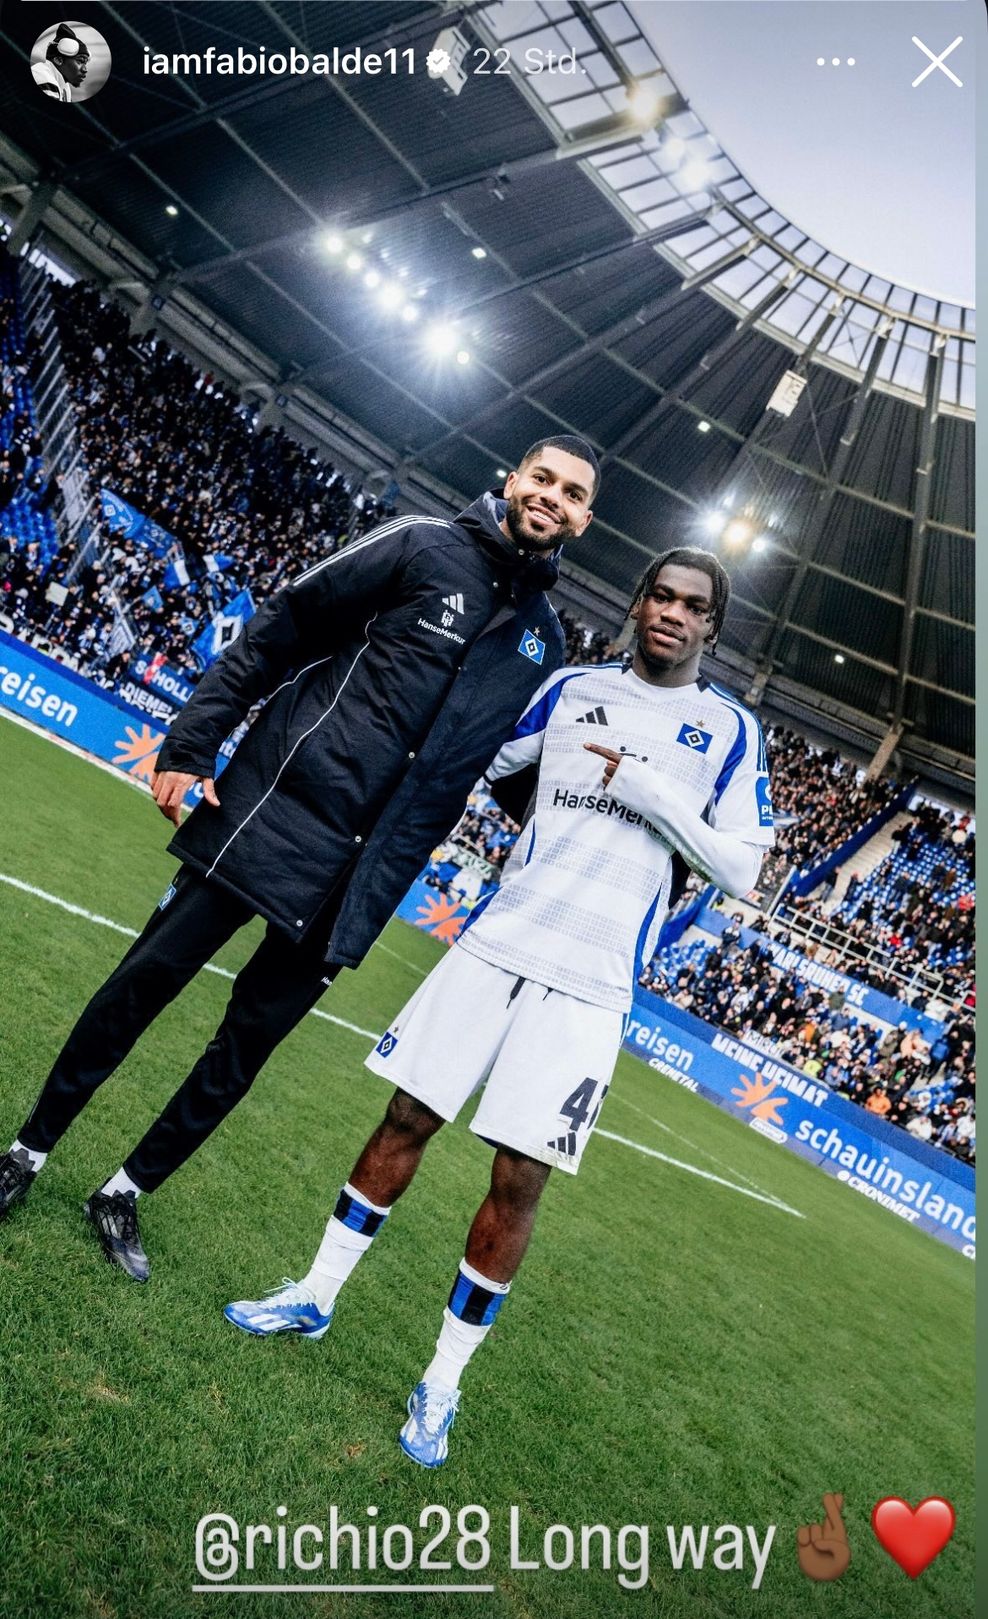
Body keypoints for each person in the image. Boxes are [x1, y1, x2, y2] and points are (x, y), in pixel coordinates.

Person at [224, 546, 774, 1467]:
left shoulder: (727, 730)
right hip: (496, 941)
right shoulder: (568, 689)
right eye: (660, 596)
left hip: (593, 983)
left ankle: (441, 1381)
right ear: (639, 603)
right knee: (404, 1117)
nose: (671, 614)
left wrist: (644, 793)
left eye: (692, 606)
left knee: (518, 1180)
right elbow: (492, 765)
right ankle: (315, 1293)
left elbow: (745, 868)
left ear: (712, 626)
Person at [0, 437, 599, 1279]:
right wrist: (191, 741)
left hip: (356, 881)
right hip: (268, 813)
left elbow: (499, 767)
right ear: (512, 480)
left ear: (583, 517)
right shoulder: (420, 541)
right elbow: (280, 630)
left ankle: (126, 1191)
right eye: (542, 478)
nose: (552, 497)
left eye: (572, 493)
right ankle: (27, 1151)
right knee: (142, 984)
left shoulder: (544, 642)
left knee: (241, 1052)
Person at [32, 24, 90, 102]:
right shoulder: (44, 78)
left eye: (85, 63)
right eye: (80, 61)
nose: (85, 69)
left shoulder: (65, 87)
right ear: (58, 60)